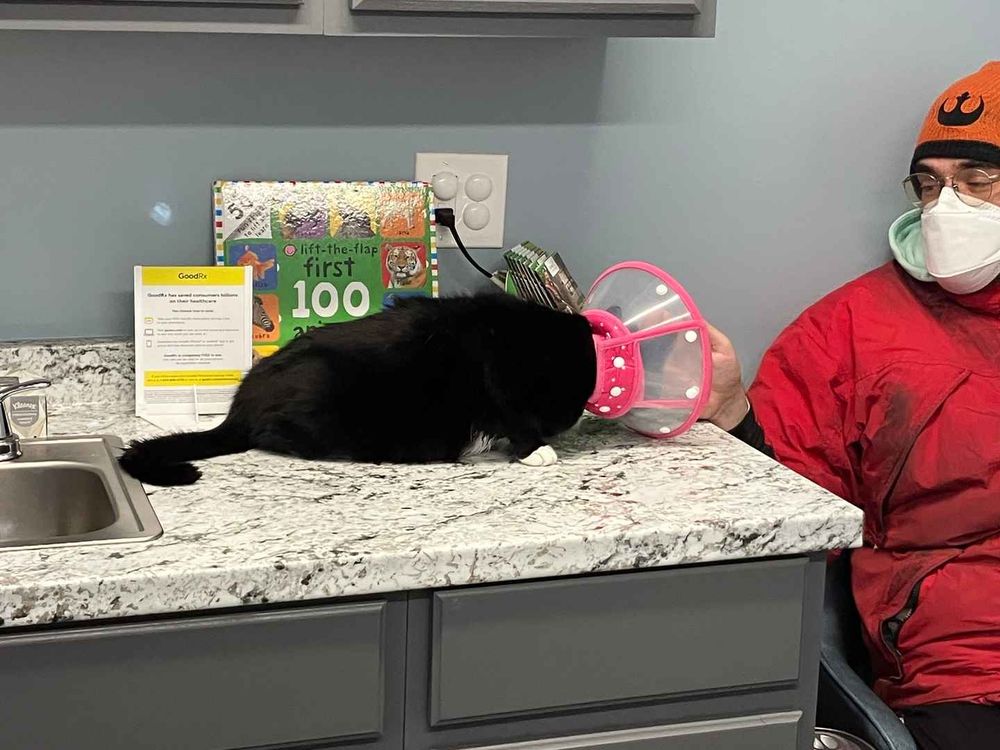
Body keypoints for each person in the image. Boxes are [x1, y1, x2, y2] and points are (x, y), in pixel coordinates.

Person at [702, 61, 1000, 750]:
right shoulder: (850, 330)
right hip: (966, 668)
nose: (944, 207)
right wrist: (731, 417)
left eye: (977, 183)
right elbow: (791, 517)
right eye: (930, 186)